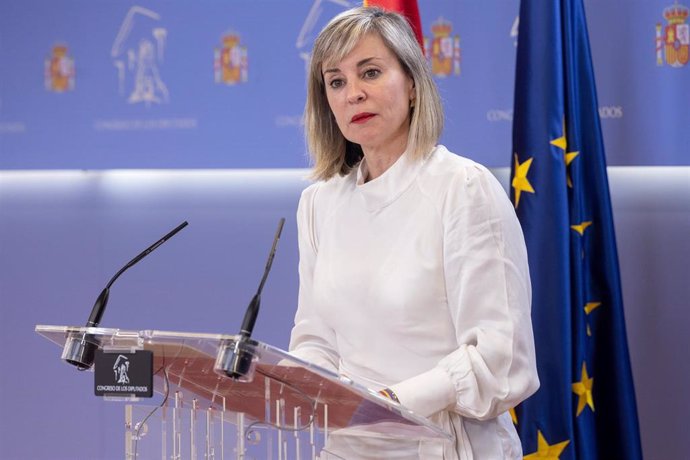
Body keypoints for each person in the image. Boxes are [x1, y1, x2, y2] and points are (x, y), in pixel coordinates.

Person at [288, 6, 539, 459]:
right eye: (337, 81)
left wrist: (392, 404)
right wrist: (311, 388)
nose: (353, 94)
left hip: (445, 445)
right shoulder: (319, 204)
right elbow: (315, 339)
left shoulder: (463, 188)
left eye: (370, 72)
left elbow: (502, 360)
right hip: (348, 446)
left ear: (413, 85)